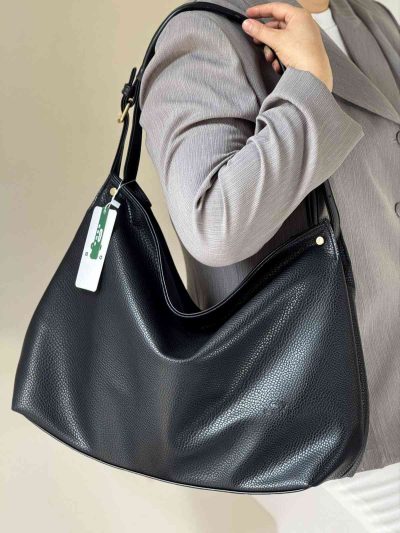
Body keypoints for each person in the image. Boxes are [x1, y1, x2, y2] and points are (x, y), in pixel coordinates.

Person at [138, 0, 400, 528]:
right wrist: (309, 85)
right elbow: (215, 224)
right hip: (328, 436)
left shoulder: (370, 16)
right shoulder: (206, 34)